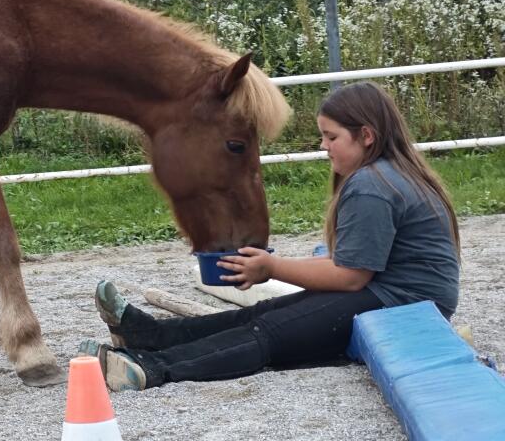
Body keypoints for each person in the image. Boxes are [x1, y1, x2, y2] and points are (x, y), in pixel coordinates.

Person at [84, 81, 461, 392]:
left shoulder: (372, 186)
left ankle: (153, 366)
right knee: (265, 313)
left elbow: (350, 277)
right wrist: (272, 266)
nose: (323, 146)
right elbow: (351, 265)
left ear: (365, 136)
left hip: (403, 304)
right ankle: (150, 334)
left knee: (268, 331)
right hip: (401, 295)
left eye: (331, 136)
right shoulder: (388, 175)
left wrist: (272, 268)